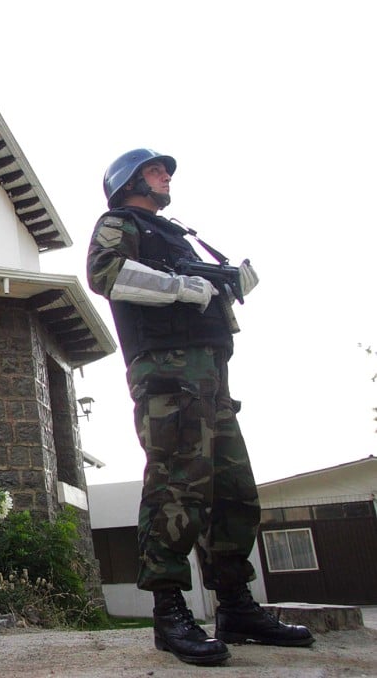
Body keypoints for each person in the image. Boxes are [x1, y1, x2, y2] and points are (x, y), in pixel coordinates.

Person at [86, 148, 313, 666]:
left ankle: (235, 605)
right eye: (154, 170)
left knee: (234, 489)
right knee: (176, 484)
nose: (166, 175)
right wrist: (180, 287)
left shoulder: (178, 232)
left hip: (211, 375)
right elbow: (106, 273)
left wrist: (226, 283)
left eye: (164, 170)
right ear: (127, 182)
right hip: (167, 374)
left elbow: (200, 289)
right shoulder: (119, 222)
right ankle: (169, 612)